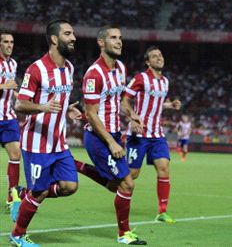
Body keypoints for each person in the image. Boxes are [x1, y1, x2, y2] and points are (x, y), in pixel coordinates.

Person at [8, 20, 82, 247]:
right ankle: (17, 235)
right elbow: (20, 105)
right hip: (36, 143)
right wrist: (43, 108)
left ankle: (25, 194)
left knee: (70, 186)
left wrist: (67, 109)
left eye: (73, 34)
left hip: (58, 143)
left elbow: (59, 99)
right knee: (39, 193)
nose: (73, 38)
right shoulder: (36, 69)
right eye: (68, 34)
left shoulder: (68, 68)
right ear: (54, 39)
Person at [76, 26, 147, 245]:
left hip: (115, 135)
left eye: (120, 38)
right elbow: (91, 114)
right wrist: (110, 142)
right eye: (113, 38)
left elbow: (119, 102)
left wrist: (132, 115)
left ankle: (78, 166)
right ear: (101, 42)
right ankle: (123, 234)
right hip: (99, 137)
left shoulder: (121, 68)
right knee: (127, 184)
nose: (119, 42)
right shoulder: (93, 74)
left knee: (114, 186)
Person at [121, 46, 181, 224]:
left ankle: (162, 212)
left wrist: (170, 105)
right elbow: (124, 100)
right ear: (148, 62)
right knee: (132, 174)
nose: (159, 58)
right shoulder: (140, 78)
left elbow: (156, 103)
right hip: (138, 135)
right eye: (154, 56)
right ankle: (117, 193)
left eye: (160, 55)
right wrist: (132, 118)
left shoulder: (164, 82)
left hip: (157, 134)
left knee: (164, 168)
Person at [0, 30, 21, 221]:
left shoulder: (13, 64)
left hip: (8, 118)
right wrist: (2, 86)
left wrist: (19, 96)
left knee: (16, 155)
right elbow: (4, 86)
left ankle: (12, 196)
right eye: (5, 41)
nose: (9, 45)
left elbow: (11, 90)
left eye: (11, 42)